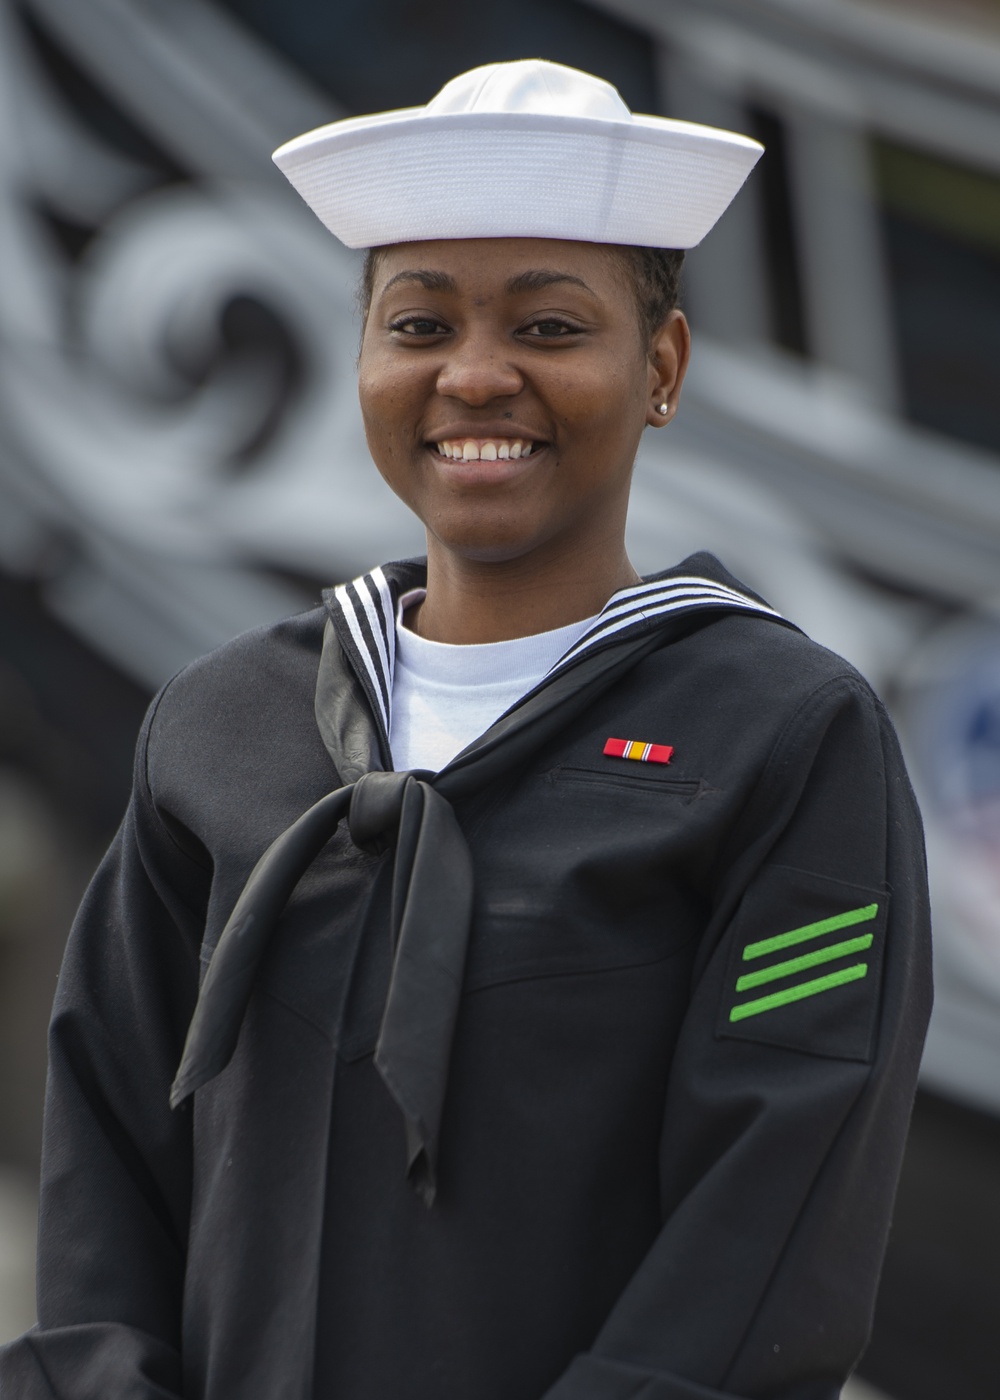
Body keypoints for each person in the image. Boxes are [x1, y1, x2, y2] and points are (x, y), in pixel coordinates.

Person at [0, 60, 931, 1400]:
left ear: (660, 368)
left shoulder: (786, 741)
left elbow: (777, 1211)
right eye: (421, 325)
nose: (475, 377)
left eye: (550, 328)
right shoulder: (223, 726)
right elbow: (104, 1144)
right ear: (368, 358)